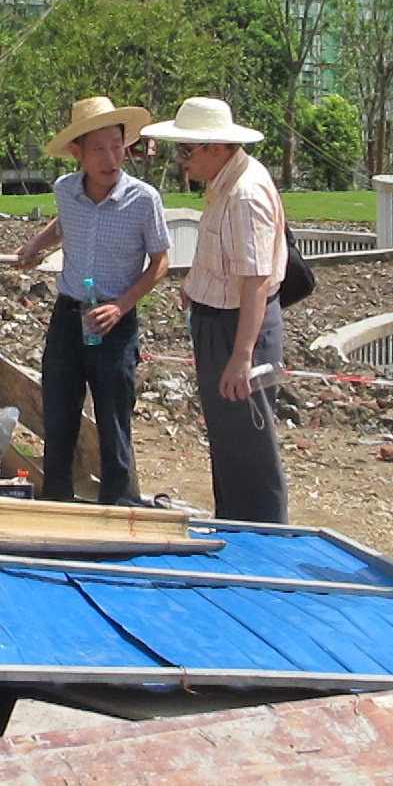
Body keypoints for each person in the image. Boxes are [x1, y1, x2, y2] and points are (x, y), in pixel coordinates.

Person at [15, 96, 170, 505]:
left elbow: (160, 263)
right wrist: (36, 245)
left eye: (117, 146)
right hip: (68, 317)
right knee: (59, 418)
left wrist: (121, 306)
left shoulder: (144, 200)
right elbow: (64, 223)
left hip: (114, 322)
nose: (110, 158)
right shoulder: (66, 190)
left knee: (114, 423)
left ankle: (117, 508)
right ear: (77, 153)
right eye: (99, 149)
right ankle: (58, 504)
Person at [144, 97, 289, 523]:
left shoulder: (245, 194)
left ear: (217, 147)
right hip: (219, 320)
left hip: (237, 327)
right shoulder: (225, 182)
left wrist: (242, 357)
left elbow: (256, 280)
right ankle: (238, 524)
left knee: (248, 443)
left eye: (187, 150)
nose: (181, 160)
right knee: (228, 439)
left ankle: (263, 536)